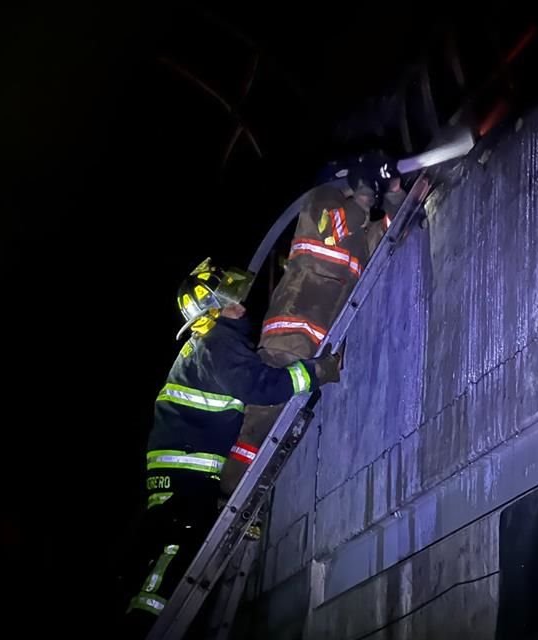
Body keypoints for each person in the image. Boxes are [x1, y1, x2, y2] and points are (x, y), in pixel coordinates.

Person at [122, 258, 341, 637]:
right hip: (186, 472)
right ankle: (146, 625)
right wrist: (318, 372)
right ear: (214, 313)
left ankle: (147, 616)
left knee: (176, 548)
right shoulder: (218, 345)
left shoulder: (207, 346)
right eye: (231, 302)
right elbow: (263, 387)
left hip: (178, 471)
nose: (242, 306)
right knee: (183, 546)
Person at [219, 152, 407, 502]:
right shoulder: (320, 202)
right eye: (358, 186)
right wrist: (366, 189)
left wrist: (394, 190)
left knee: (287, 427)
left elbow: (388, 234)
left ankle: (253, 500)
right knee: (261, 422)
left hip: (320, 344)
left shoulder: (359, 229)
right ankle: (228, 496)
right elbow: (335, 227)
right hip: (290, 335)